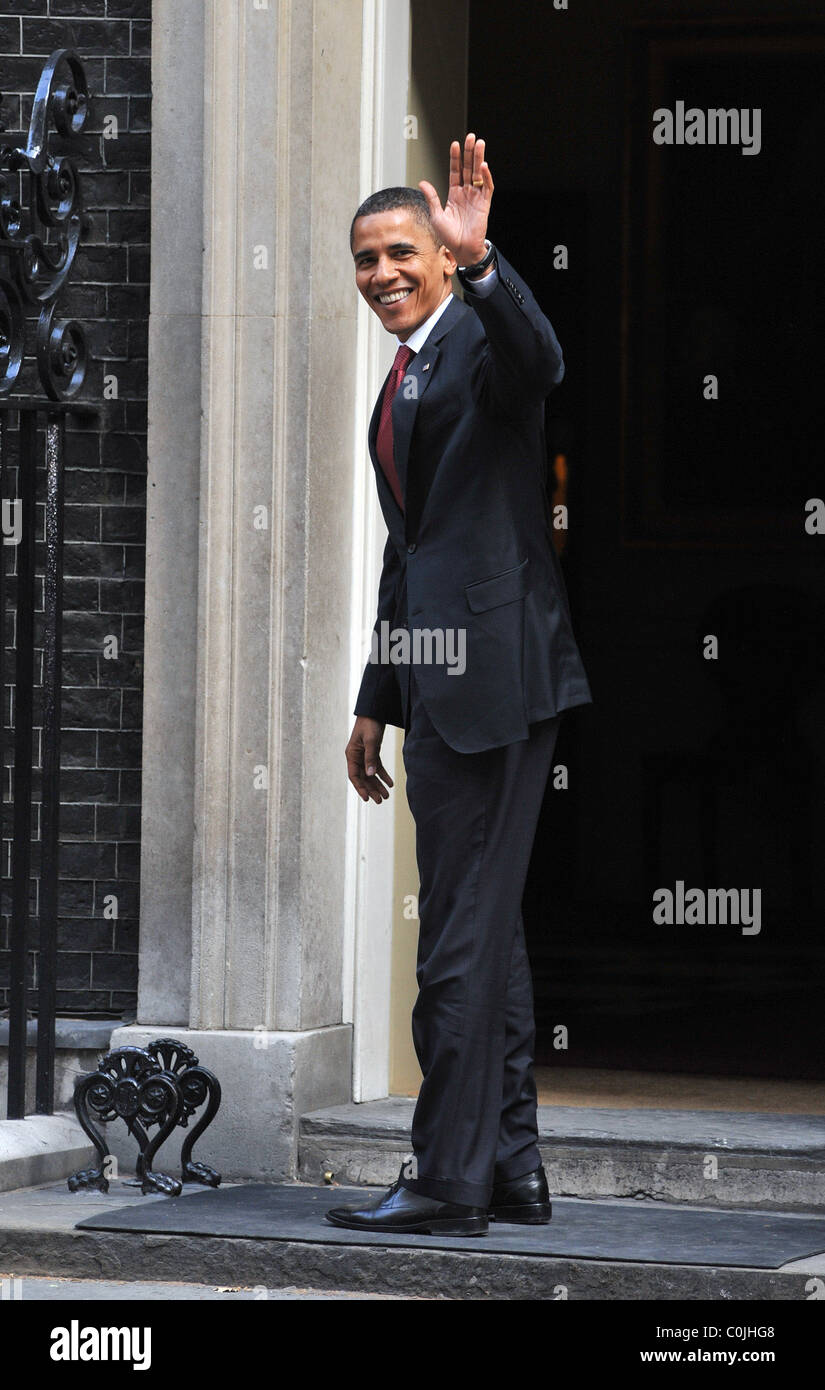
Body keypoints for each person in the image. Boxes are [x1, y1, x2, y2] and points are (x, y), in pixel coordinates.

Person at [327, 134, 592, 1236]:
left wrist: (489, 267)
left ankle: (445, 1179)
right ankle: (515, 1167)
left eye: (403, 253)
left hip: (496, 682)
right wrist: (375, 701)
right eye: (366, 259)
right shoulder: (400, 377)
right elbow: (409, 553)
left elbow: (546, 362)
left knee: (454, 939)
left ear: (441, 260)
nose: (384, 273)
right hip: (435, 686)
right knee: (487, 931)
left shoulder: (482, 346)